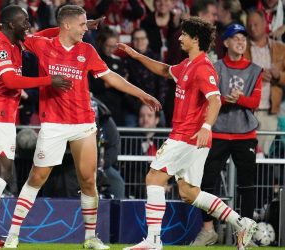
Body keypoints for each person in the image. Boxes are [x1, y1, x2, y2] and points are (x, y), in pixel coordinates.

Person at [0, 5, 161, 249]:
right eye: (82, 24)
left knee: (88, 180)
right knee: (36, 178)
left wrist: (141, 94)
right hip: (53, 124)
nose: (86, 29)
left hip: (83, 123)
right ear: (67, 25)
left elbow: (111, 78)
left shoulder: (88, 50)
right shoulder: (41, 45)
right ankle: (13, 234)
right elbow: (10, 29)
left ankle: (91, 238)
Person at [118, 16, 257, 250]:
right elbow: (164, 70)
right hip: (192, 139)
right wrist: (136, 56)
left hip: (187, 136)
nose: (180, 38)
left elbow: (215, 101)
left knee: (154, 178)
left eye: (184, 35)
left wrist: (206, 127)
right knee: (189, 193)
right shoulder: (187, 64)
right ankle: (241, 223)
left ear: (195, 39)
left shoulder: (203, 67)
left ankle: (153, 241)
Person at [0, 5, 72, 248]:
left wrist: (70, 27)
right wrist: (48, 80)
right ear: (11, 25)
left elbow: (42, 34)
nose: (28, 26)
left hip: (4, 115)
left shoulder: (15, 41)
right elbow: (11, 81)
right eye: (24, 21)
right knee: (3, 173)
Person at [191, 23, 263, 246]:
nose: (241, 42)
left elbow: (255, 102)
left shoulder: (255, 69)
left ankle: (245, 233)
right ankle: (208, 229)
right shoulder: (214, 67)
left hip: (245, 134)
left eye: (244, 38)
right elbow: (205, 98)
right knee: (207, 180)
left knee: (247, 185)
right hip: (219, 132)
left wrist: (238, 99)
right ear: (226, 43)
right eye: (236, 38)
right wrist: (223, 99)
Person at [245, 8, 285, 156]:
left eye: (256, 24)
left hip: (270, 112)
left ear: (265, 24)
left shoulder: (281, 48)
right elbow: (236, 76)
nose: (252, 28)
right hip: (247, 113)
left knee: (265, 159)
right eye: (249, 25)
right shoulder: (241, 48)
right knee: (247, 157)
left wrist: (278, 75)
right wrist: (259, 76)